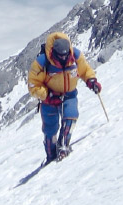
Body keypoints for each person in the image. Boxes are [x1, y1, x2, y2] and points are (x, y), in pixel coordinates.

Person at [27, 31, 101, 163]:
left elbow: (85, 70)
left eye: (66, 54)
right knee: (50, 129)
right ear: (54, 52)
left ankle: (63, 145)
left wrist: (91, 81)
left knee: (71, 116)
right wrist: (47, 96)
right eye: (60, 55)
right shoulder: (42, 62)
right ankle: (50, 154)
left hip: (69, 94)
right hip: (49, 99)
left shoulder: (75, 56)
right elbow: (33, 85)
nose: (63, 57)